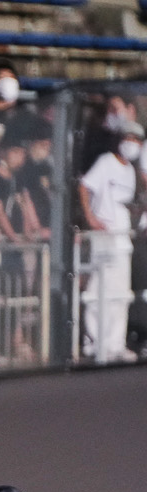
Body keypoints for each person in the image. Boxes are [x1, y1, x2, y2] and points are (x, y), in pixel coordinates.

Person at [78, 121, 141, 365]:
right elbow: (85, 186)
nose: (132, 144)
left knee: (120, 294)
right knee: (99, 290)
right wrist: (90, 218)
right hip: (104, 236)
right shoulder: (106, 162)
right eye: (129, 138)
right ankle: (94, 343)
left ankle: (115, 343)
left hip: (122, 238)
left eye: (137, 140)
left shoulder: (130, 171)